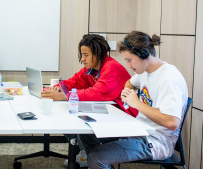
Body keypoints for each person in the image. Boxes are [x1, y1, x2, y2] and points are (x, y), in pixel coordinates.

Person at [78, 31, 188, 169]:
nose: (128, 66)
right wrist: (127, 93)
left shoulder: (169, 79)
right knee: (86, 135)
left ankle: (99, 163)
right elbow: (130, 83)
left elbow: (172, 122)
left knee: (97, 156)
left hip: (157, 140)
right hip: (138, 129)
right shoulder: (145, 71)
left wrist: (137, 103)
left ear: (144, 54)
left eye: (129, 60)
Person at [41, 34, 138, 117]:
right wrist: (57, 88)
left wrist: (64, 96)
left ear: (98, 54)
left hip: (125, 115)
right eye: (82, 54)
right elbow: (74, 82)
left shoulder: (111, 67)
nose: (82, 59)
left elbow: (97, 93)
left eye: (86, 55)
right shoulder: (90, 69)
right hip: (108, 112)